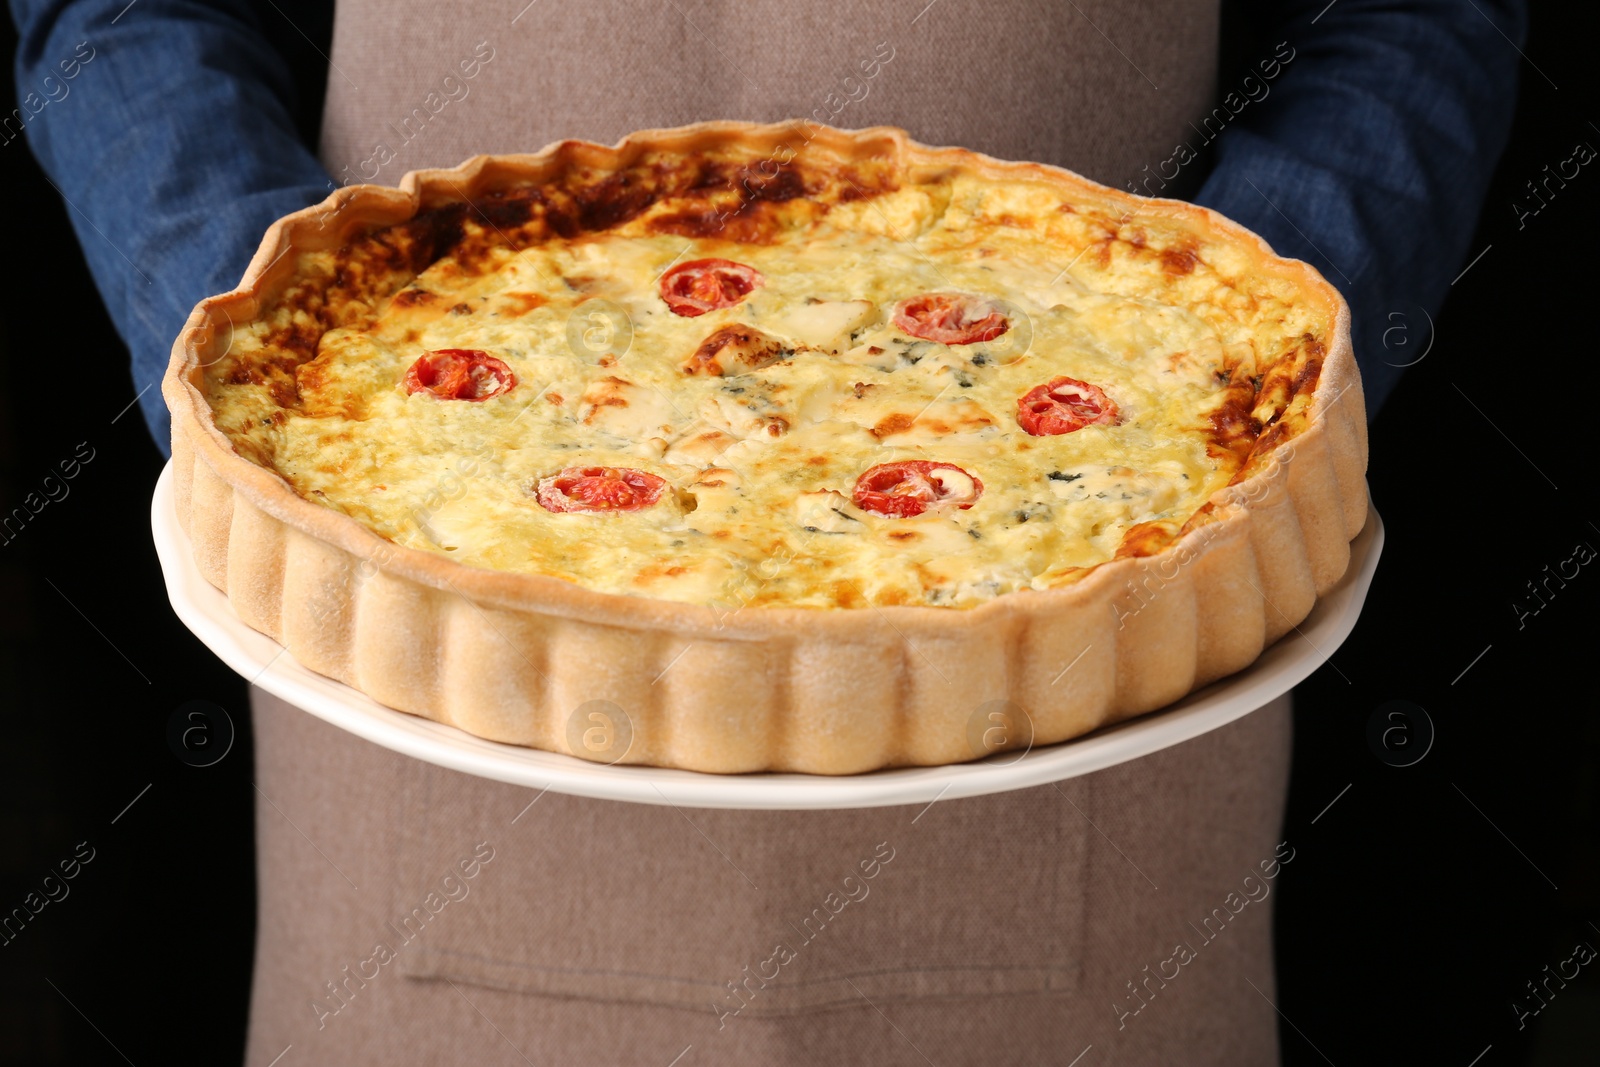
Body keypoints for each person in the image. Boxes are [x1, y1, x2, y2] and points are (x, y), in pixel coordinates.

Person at [12, 0, 1526, 1062]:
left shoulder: (1212, 404)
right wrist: (276, 371)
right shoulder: (323, 409)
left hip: (1112, 744)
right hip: (417, 752)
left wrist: (1238, 374)